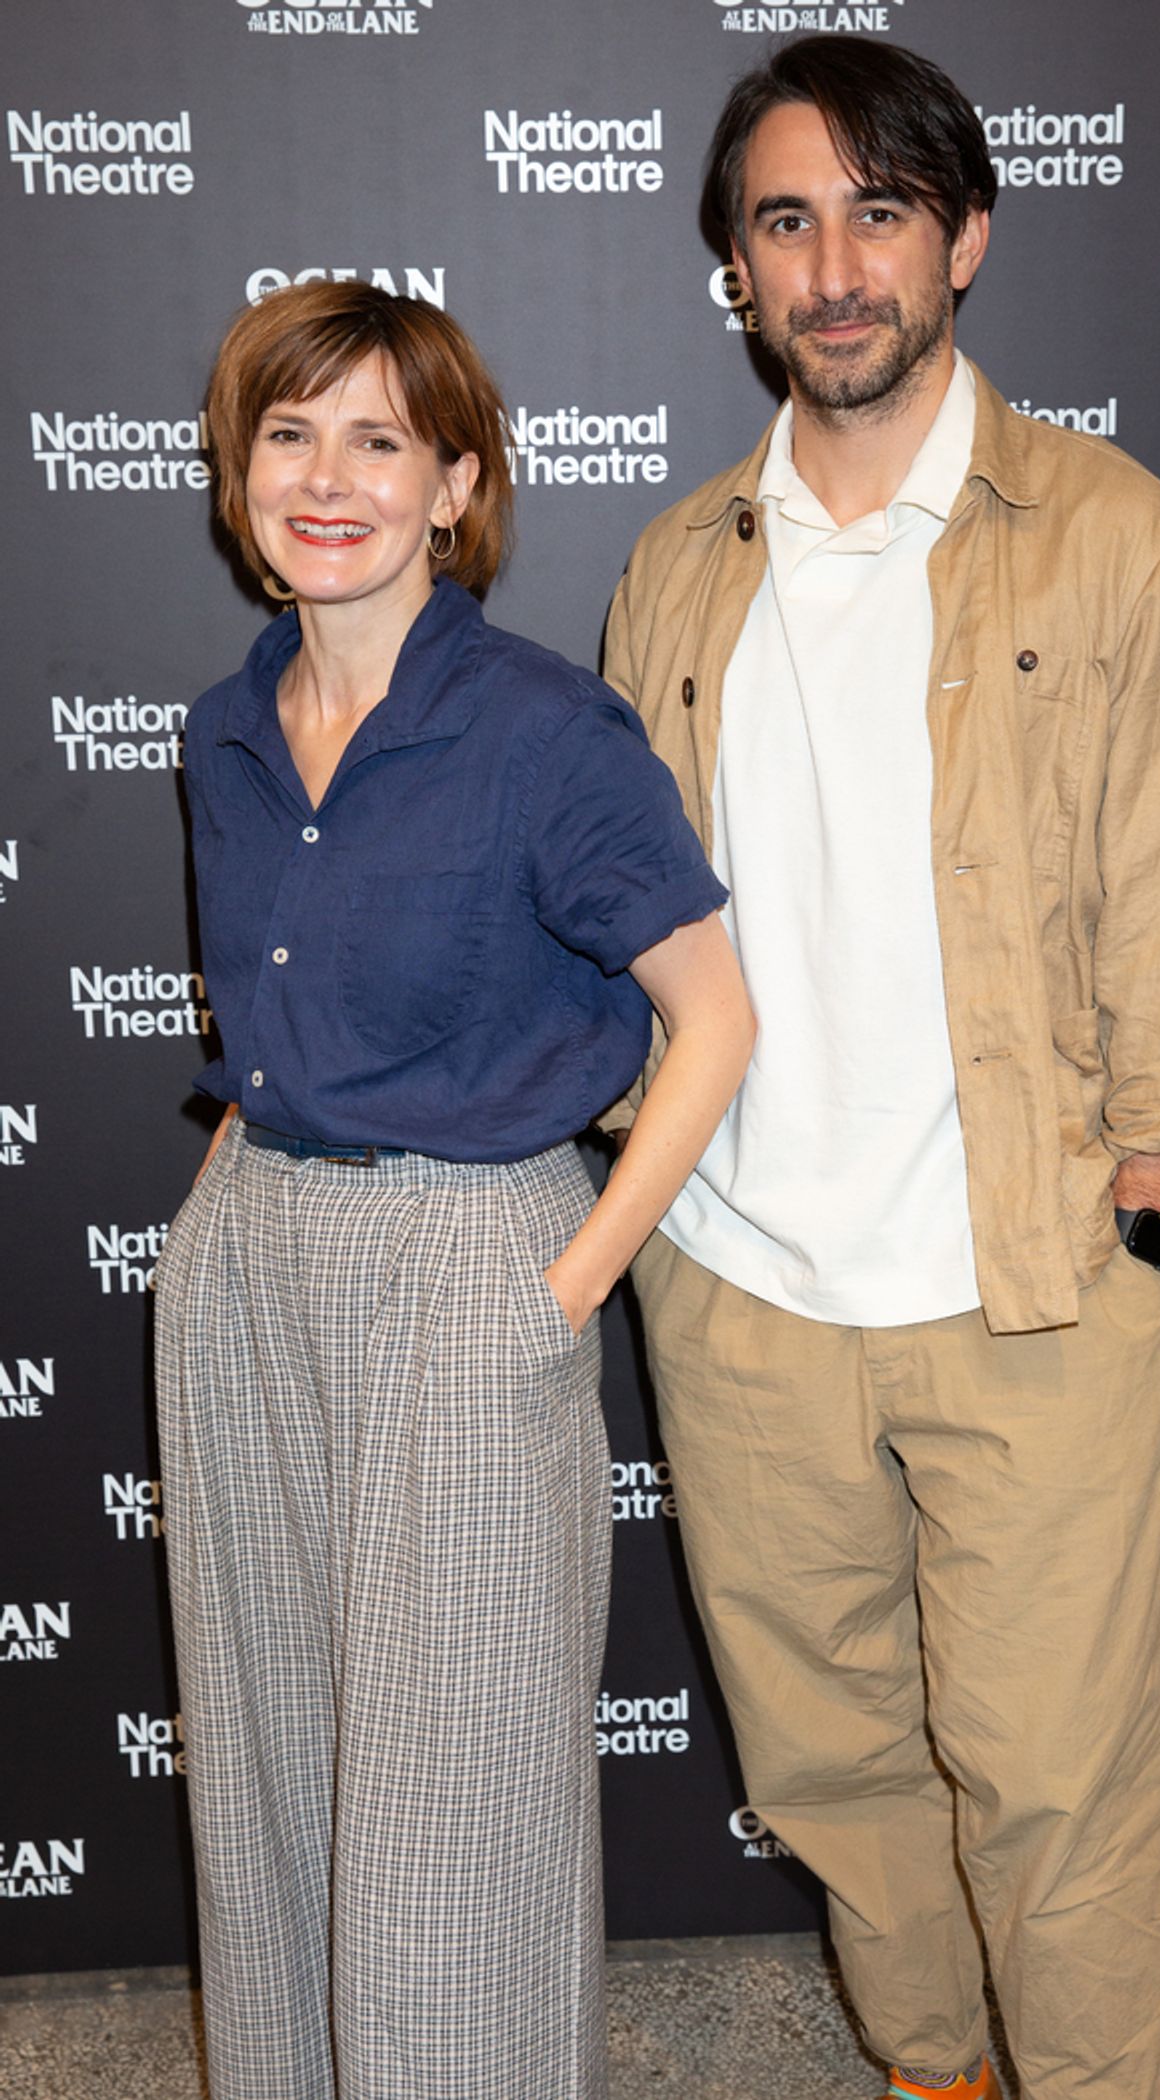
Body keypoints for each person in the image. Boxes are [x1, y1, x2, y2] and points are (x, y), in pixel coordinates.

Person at [604, 36, 1160, 2100]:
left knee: (1058, 1799)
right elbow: (628, 918)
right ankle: (931, 2069)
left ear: (965, 239)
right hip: (739, 1295)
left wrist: (1148, 1186)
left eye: (877, 214)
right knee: (825, 1763)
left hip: (1029, 1282)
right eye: (784, 221)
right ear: (736, 265)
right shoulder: (675, 570)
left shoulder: (1113, 537)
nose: (833, 268)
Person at [154, 280, 753, 2100]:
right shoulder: (225, 727)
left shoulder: (543, 735)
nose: (327, 478)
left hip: (469, 1252)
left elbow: (713, 1025)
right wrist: (224, 1226)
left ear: (455, 483)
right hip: (253, 1248)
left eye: (378, 441)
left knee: (458, 1802)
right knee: (264, 1762)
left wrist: (555, 1293)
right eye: (289, 434)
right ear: (242, 475)